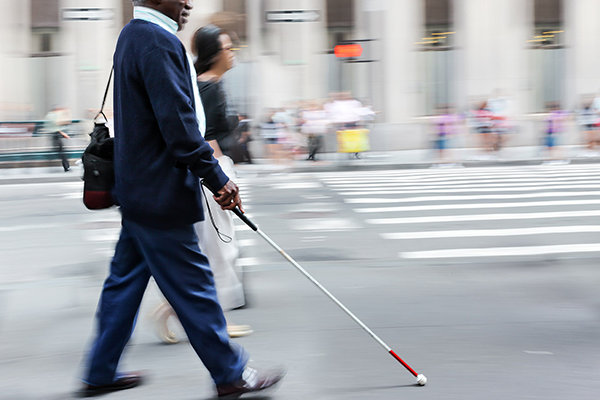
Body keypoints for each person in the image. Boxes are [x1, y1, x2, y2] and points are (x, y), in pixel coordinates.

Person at [76, 1, 285, 398]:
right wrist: (216, 177)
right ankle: (230, 372)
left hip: (139, 187)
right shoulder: (156, 40)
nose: (187, 2)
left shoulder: (134, 35)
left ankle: (100, 370)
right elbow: (178, 123)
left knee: (123, 282)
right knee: (193, 284)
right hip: (159, 190)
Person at [153, 24, 252, 343]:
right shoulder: (208, 87)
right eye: (227, 48)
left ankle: (175, 308)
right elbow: (205, 137)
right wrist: (221, 179)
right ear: (213, 54)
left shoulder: (207, 85)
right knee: (219, 249)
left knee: (213, 250)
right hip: (212, 175)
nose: (232, 53)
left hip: (212, 174)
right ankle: (208, 321)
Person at [44, 106, 71, 172]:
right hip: (56, 135)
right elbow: (58, 124)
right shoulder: (54, 115)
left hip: (53, 135)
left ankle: (66, 166)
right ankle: (66, 167)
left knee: (60, 151)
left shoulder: (49, 115)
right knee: (62, 152)